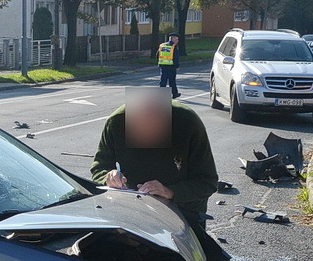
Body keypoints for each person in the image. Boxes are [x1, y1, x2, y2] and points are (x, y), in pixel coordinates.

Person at [90, 86, 218, 225]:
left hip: (182, 217)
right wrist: (108, 177)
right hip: (129, 215)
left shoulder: (187, 123)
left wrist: (170, 192)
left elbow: (207, 182)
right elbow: (98, 170)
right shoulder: (116, 123)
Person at [158, 33, 180, 99]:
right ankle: (175, 94)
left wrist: (160, 63)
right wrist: (177, 66)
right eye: (176, 39)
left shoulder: (162, 45)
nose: (177, 41)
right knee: (172, 81)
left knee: (163, 81)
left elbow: (157, 55)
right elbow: (175, 57)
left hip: (163, 66)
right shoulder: (173, 47)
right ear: (172, 38)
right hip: (171, 67)